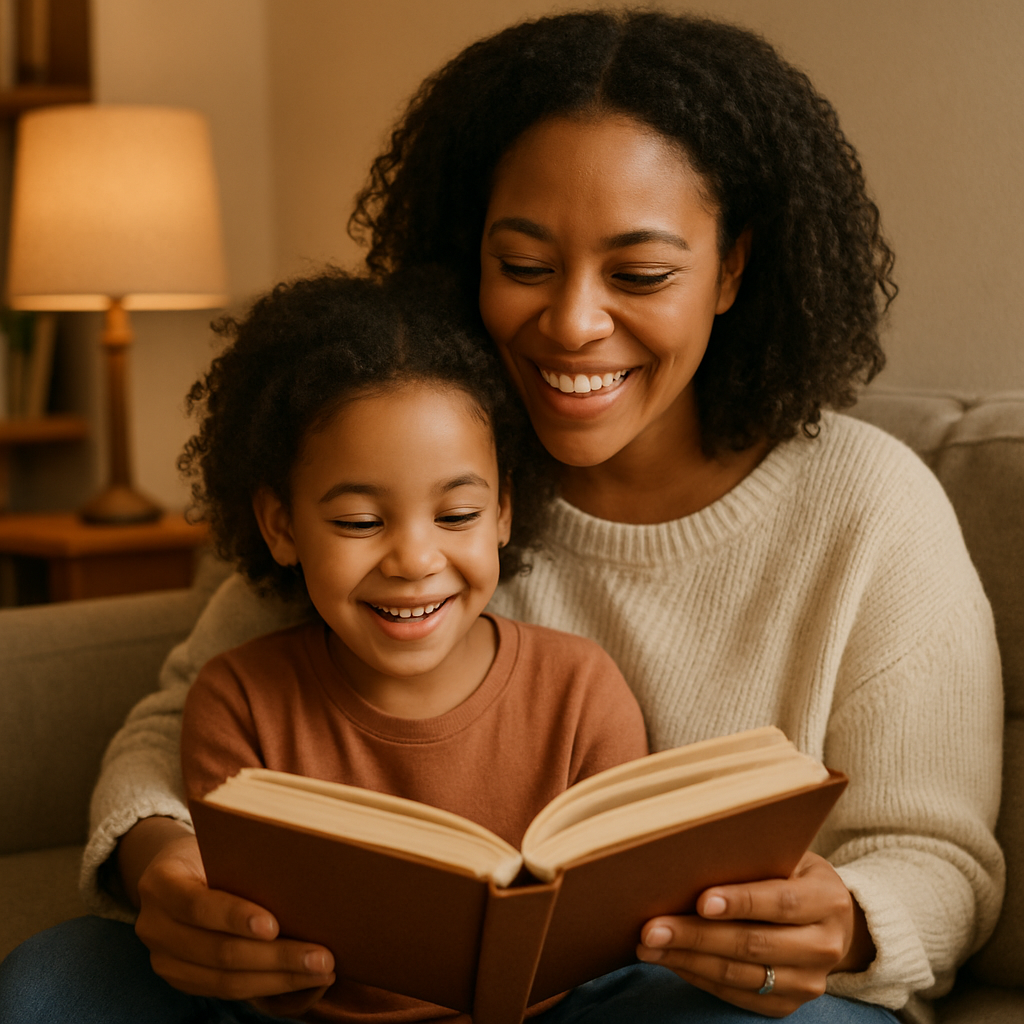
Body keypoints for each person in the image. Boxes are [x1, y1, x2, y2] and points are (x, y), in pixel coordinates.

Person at [0, 10, 1002, 1024]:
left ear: (732, 268)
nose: (570, 322)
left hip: (656, 1004)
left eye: (641, 274)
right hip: (334, 992)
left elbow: (937, 859)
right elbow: (179, 726)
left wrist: (849, 918)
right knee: (55, 981)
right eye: (523, 265)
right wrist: (163, 865)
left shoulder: (867, 506)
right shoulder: (403, 453)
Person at [175, 269, 648, 1022]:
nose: (413, 559)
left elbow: (616, 940)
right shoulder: (239, 704)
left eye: (456, 515)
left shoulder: (580, 689)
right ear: (281, 526)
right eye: (361, 523)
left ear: (503, 510)